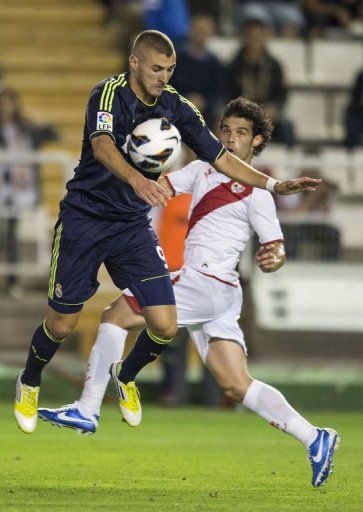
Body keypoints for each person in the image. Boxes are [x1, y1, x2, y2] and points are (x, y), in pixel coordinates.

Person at [14, 30, 319, 435]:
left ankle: (126, 379)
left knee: (164, 323)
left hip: (131, 225)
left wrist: (272, 186)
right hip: (85, 219)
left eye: (170, 69)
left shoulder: (177, 107)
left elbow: (221, 156)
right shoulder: (108, 94)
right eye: (157, 69)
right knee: (63, 324)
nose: (164, 76)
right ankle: (30, 379)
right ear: (135, 63)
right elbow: (102, 145)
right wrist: (137, 181)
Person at [38, 97, 337, 488]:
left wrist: (273, 257)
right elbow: (159, 187)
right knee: (235, 382)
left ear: (256, 142)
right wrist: (135, 173)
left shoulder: (258, 192)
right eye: (225, 130)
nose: (229, 139)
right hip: (219, 294)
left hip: (207, 280)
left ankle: (88, 408)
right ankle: (315, 437)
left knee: (114, 315)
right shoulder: (200, 169)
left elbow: (275, 245)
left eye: (241, 133)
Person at [0, 88, 58, 296]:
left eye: (9, 103)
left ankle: (50, 279)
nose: (6, 107)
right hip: (5, 191)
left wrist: (41, 121)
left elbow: (54, 134)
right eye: (2, 103)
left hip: (28, 191)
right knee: (11, 235)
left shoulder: (26, 128)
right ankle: (13, 282)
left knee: (43, 233)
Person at [228, 19, 295, 147]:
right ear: (244, 37)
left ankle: (286, 165)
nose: (254, 40)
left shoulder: (274, 65)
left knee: (287, 127)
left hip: (268, 114)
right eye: (251, 36)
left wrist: (274, 108)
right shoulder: (234, 66)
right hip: (240, 114)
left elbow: (282, 93)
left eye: (258, 37)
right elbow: (228, 93)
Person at [170, 14, 226, 129]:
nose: (201, 35)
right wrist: (185, 100)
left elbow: (218, 94)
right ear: (190, 30)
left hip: (205, 115)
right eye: (198, 30)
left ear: (211, 33)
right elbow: (165, 86)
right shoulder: (175, 58)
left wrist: (203, 102)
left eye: (205, 31)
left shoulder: (214, 63)